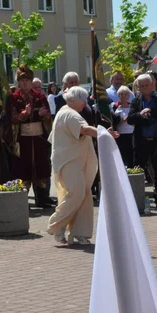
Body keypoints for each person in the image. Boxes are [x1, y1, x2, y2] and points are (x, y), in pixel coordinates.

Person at [48, 86, 105, 244]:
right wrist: (104, 133)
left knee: (84, 195)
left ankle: (80, 232)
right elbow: (85, 130)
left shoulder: (65, 112)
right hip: (69, 162)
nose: (85, 103)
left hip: (74, 161)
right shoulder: (69, 114)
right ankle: (56, 225)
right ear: (74, 99)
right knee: (76, 194)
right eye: (83, 100)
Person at [9, 66, 52, 209]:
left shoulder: (39, 96)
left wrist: (42, 114)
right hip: (23, 139)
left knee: (41, 167)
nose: (25, 83)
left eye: (28, 80)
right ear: (18, 82)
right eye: (22, 80)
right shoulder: (13, 98)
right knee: (23, 168)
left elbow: (48, 115)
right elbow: (12, 118)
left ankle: (42, 198)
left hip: (38, 138)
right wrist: (24, 114)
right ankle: (22, 200)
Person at [127, 73, 157, 210]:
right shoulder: (136, 101)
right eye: (142, 86)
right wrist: (141, 115)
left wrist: (150, 111)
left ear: (152, 84)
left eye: (147, 85)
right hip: (142, 141)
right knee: (138, 169)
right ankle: (137, 197)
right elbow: (130, 119)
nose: (145, 88)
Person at [112, 85, 136, 166]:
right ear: (118, 95)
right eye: (121, 94)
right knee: (122, 154)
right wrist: (123, 120)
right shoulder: (114, 107)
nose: (123, 96)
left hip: (132, 133)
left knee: (131, 154)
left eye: (126, 94)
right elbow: (113, 121)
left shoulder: (132, 106)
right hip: (120, 134)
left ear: (129, 95)